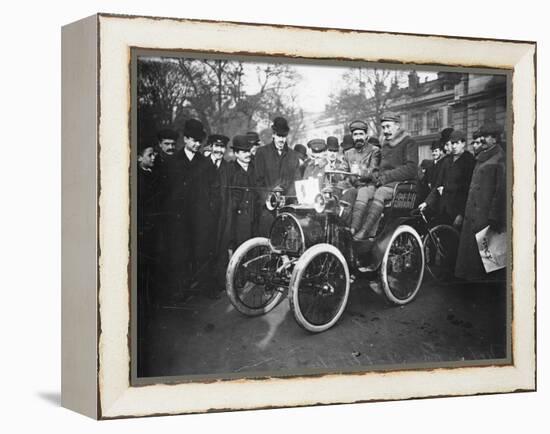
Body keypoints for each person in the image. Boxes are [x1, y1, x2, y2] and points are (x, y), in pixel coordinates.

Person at [353, 112, 418, 240]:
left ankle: (366, 232)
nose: (385, 131)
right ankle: (354, 227)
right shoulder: (386, 144)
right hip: (384, 182)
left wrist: (386, 177)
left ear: (397, 126)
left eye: (388, 127)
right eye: (383, 127)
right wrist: (374, 175)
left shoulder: (409, 142)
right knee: (363, 191)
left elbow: (411, 169)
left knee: (380, 193)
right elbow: (380, 168)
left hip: (402, 185)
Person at [455, 122, 506, 281]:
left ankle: (485, 296)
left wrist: (495, 216)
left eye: (486, 136)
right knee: (471, 262)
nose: (482, 139)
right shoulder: (482, 157)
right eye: (482, 136)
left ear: (495, 139)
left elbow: (501, 191)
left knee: (488, 262)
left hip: (486, 217)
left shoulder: (499, 159)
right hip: (473, 215)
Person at [176, 119, 221, 298]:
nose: (197, 144)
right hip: (180, 219)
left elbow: (215, 190)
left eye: (199, 141)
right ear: (185, 139)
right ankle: (181, 289)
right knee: (182, 253)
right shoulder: (174, 162)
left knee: (202, 253)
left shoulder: (206, 164)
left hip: (201, 218)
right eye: (193, 140)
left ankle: (204, 288)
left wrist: (210, 212)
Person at [254, 116, 301, 236]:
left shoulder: (293, 156)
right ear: (273, 134)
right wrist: (269, 199)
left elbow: (296, 181)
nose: (281, 140)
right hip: (267, 208)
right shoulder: (262, 153)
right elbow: (258, 181)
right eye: (279, 136)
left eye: (284, 136)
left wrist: (287, 198)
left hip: (287, 207)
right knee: (266, 239)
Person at [419, 130, 475, 228]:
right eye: (452, 143)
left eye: (457, 143)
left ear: (463, 143)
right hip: (443, 209)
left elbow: (468, 190)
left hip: (458, 210)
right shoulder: (446, 161)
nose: (454, 146)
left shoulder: (469, 161)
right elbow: (437, 185)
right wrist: (426, 203)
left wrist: (461, 214)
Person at [219, 135, 258, 264]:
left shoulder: (256, 168)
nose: (248, 154)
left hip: (255, 220)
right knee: (239, 256)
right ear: (236, 153)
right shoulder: (229, 170)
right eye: (244, 151)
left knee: (254, 254)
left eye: (249, 151)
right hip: (237, 223)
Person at [342, 120, 381, 238]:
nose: (358, 137)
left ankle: (354, 228)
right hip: (354, 186)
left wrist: (359, 172)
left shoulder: (374, 150)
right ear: (352, 137)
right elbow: (343, 171)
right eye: (355, 135)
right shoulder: (348, 153)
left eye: (361, 134)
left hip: (369, 186)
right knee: (338, 191)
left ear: (366, 135)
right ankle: (339, 223)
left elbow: (373, 171)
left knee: (361, 192)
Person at [137, 144, 158, 304]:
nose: (153, 157)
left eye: (154, 154)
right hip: (144, 228)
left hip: (156, 227)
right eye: (150, 155)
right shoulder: (137, 178)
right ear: (139, 157)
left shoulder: (155, 174)